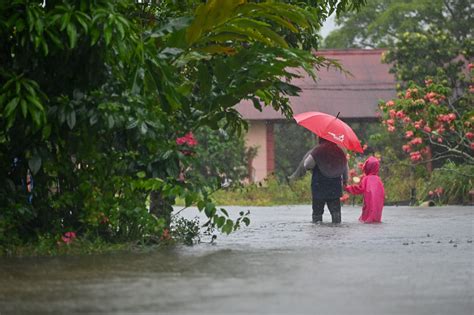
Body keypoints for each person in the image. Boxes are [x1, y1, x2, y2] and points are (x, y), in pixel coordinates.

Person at [304, 137, 348, 223]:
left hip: (319, 186)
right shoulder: (339, 151)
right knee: (336, 215)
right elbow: (345, 167)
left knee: (317, 214)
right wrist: (345, 181)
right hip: (334, 187)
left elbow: (307, 165)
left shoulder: (317, 150)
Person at [344, 156, 384, 223]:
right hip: (378, 202)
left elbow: (359, 189)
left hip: (368, 201)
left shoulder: (366, 179)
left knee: (366, 217)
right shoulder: (378, 179)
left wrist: (347, 188)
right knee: (376, 217)